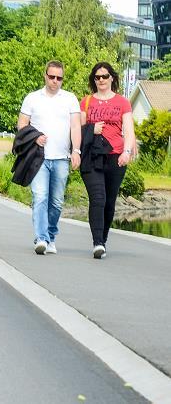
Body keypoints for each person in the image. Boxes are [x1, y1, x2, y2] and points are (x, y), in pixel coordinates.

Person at [17, 60, 81, 256]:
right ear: (45, 75)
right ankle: (41, 238)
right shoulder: (32, 98)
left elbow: (76, 126)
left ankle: (51, 236)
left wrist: (76, 150)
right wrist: (35, 137)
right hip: (39, 158)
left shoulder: (70, 99)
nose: (55, 81)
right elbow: (22, 125)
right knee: (40, 196)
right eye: (51, 76)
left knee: (56, 202)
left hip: (61, 157)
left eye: (59, 78)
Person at [79, 62, 135, 260]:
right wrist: (91, 129)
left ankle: (103, 238)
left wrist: (126, 152)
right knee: (98, 198)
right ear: (94, 80)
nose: (101, 80)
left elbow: (128, 130)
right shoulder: (86, 102)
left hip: (115, 156)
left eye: (104, 76)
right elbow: (78, 131)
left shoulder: (122, 102)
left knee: (110, 202)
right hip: (92, 157)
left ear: (112, 77)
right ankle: (97, 243)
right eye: (97, 77)